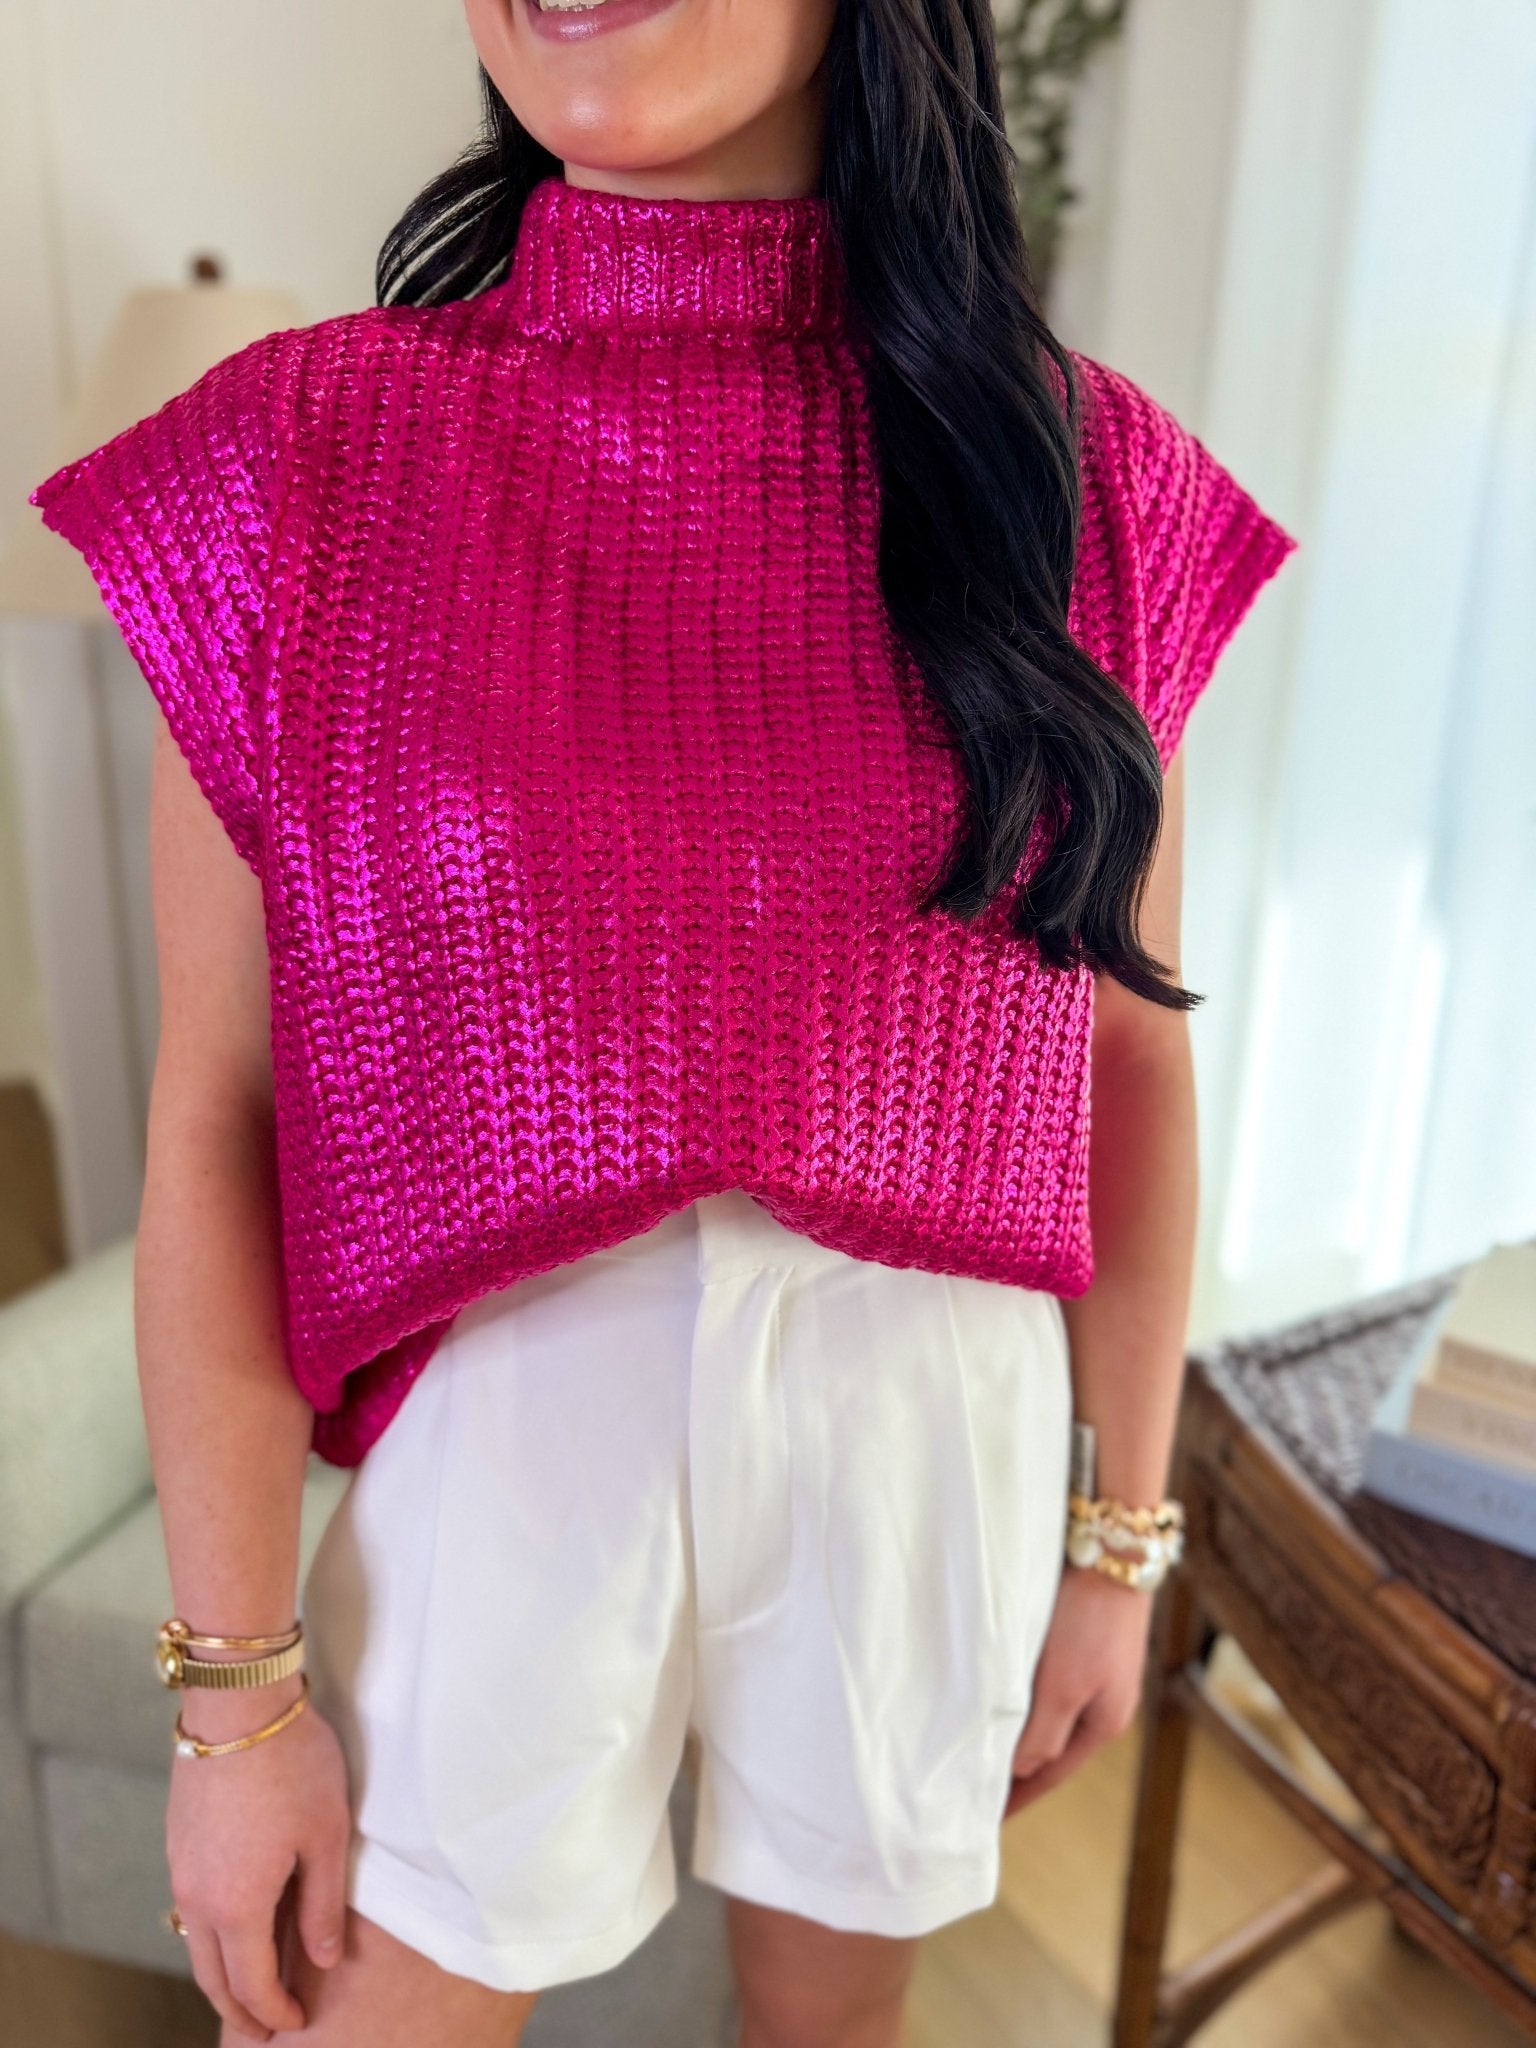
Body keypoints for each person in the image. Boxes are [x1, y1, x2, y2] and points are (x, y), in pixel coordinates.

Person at [29, 0, 1295, 2040]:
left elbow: (1128, 1062)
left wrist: (1115, 1543)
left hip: (922, 1424)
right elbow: (221, 1117)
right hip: (502, 1420)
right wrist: (235, 1703)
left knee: (830, 2029)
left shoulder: (1082, 474)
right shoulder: (298, 461)